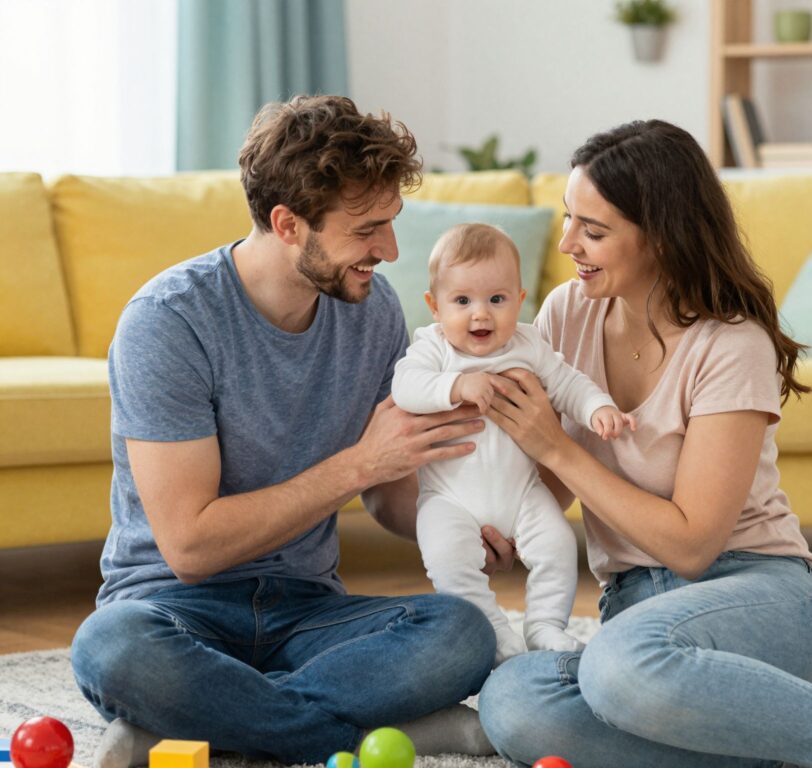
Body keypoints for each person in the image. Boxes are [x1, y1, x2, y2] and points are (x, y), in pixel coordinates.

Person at [475, 120, 812, 768]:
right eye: (569, 220)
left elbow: (690, 543)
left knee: (620, 669)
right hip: (635, 603)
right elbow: (561, 480)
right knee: (512, 701)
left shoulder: (730, 343)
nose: (568, 243)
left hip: (756, 592)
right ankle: (776, 739)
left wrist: (555, 448)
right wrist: (497, 519)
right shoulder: (570, 312)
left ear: (660, 236)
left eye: (593, 231)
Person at [69, 95, 506, 768]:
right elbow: (189, 546)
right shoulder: (169, 322)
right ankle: (362, 727)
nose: (388, 251)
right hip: (174, 610)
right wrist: (356, 466)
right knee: (112, 649)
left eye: (392, 224)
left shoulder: (372, 311)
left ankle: (201, 730)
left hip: (307, 612)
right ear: (289, 224)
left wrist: (454, 518)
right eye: (367, 230)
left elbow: (388, 498)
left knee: (460, 633)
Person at [391, 223, 634, 666]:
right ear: (435, 306)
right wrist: (457, 386)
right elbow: (405, 387)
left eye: (497, 300)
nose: (480, 315)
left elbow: (567, 383)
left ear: (520, 301)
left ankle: (544, 625)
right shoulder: (434, 349)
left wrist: (597, 407)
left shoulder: (528, 344)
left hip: (523, 493)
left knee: (559, 545)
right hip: (449, 499)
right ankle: (494, 630)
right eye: (462, 301)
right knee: (447, 559)